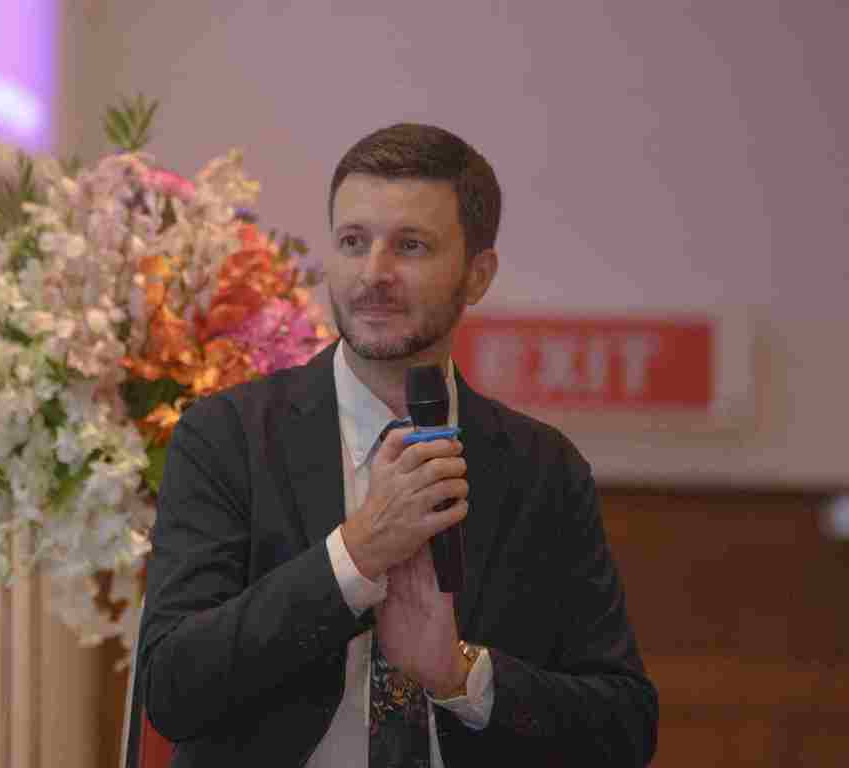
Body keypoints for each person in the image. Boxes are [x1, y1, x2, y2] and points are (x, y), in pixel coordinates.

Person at [136, 123, 658, 766]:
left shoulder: (543, 470)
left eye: (410, 246)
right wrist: (355, 557)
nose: (374, 273)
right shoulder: (227, 438)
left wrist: (462, 676)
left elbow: (625, 727)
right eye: (353, 242)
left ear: (477, 275)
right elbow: (172, 687)